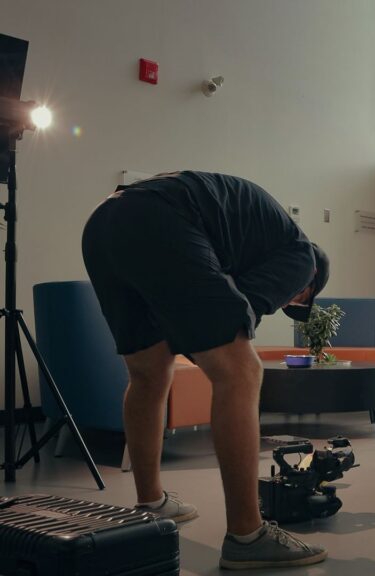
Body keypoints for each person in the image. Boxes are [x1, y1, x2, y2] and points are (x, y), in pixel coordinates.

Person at [81, 171, 330, 570]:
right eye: (296, 300)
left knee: (148, 373)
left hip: (104, 223)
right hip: (160, 220)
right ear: (309, 285)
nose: (289, 300)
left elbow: (212, 307)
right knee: (241, 371)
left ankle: (152, 503)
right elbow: (235, 317)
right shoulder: (302, 258)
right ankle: (248, 536)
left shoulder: (249, 234)